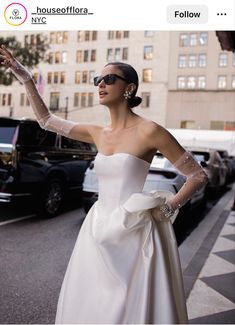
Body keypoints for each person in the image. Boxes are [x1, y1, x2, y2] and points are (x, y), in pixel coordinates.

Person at [0, 45, 208, 324]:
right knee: (92, 304)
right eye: (98, 80)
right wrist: (24, 75)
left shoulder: (151, 131)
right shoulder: (97, 132)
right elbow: (46, 120)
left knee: (128, 308)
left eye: (109, 79)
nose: (101, 84)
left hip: (134, 232)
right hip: (97, 230)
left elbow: (197, 176)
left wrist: (169, 207)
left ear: (129, 88)